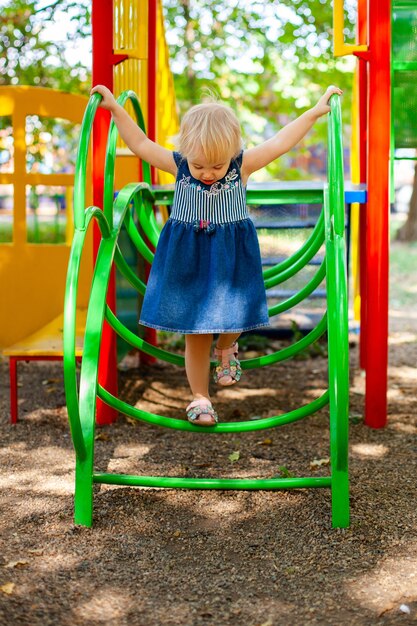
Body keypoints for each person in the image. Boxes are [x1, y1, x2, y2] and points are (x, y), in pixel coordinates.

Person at [90, 84, 342, 427]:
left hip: (230, 259)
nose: (207, 174)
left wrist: (313, 112)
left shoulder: (243, 165)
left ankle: (226, 348)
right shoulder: (178, 165)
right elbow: (140, 144)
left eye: (216, 166)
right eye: (199, 165)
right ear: (186, 153)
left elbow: (282, 141)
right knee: (195, 334)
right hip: (188, 260)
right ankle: (199, 398)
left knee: (236, 315)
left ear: (233, 152)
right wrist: (116, 111)